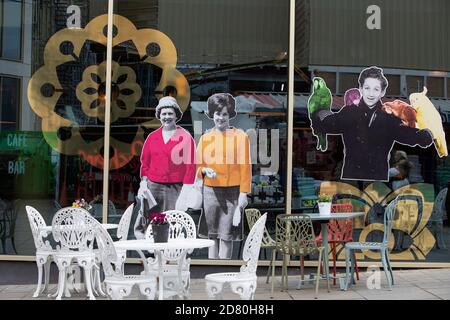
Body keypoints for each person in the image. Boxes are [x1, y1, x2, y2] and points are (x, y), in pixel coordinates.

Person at [310, 66, 434, 181]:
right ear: (361, 89)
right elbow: (330, 123)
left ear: (382, 92)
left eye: (376, 89)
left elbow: (407, 134)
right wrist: (318, 112)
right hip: (351, 179)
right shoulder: (350, 112)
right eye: (367, 88)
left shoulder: (388, 117)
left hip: (378, 183)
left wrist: (426, 135)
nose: (371, 93)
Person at [197, 93, 251, 259]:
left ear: (230, 115)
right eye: (217, 114)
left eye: (224, 114)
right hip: (210, 192)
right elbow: (197, 167)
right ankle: (211, 272)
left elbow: (245, 167)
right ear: (212, 114)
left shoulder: (241, 137)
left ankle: (223, 270)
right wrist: (204, 171)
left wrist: (243, 194)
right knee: (212, 236)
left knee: (226, 236)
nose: (220, 118)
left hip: (233, 193)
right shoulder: (205, 138)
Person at [138, 95, 196, 214]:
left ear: (176, 116)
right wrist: (143, 182)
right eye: (164, 114)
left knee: (172, 222)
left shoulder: (185, 137)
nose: (167, 117)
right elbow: (145, 163)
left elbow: (191, 166)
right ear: (159, 116)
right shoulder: (152, 137)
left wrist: (185, 192)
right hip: (153, 188)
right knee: (152, 222)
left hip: (175, 189)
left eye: (170, 113)